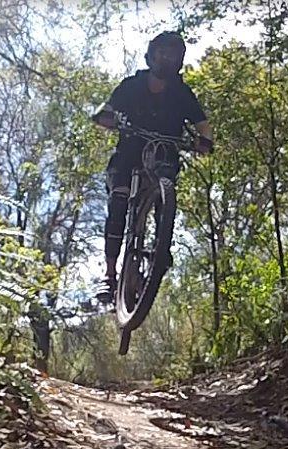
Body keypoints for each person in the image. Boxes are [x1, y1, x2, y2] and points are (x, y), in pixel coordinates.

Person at [91, 30, 214, 302]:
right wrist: (105, 117)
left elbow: (202, 123)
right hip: (128, 154)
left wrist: (204, 141)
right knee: (119, 198)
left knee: (166, 189)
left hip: (164, 156)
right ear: (152, 55)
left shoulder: (182, 92)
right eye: (164, 53)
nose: (168, 59)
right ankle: (110, 276)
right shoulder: (132, 85)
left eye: (174, 55)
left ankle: (161, 248)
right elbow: (106, 108)